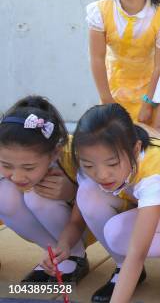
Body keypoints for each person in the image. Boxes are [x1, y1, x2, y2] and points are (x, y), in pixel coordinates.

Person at [70, 103, 160, 302]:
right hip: (144, 203)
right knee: (88, 193)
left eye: (112, 163)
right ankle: (121, 266)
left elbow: (137, 253)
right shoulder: (92, 151)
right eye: (88, 165)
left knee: (118, 235)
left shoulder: (154, 169)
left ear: (136, 149)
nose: (101, 174)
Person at [0, 95, 89, 283]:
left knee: (37, 196)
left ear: (55, 152)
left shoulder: (77, 154)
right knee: (3, 194)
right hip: (54, 233)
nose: (17, 176)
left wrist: (73, 192)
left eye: (29, 167)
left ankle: (74, 255)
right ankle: (53, 256)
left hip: (85, 225)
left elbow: (104, 195)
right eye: (6, 165)